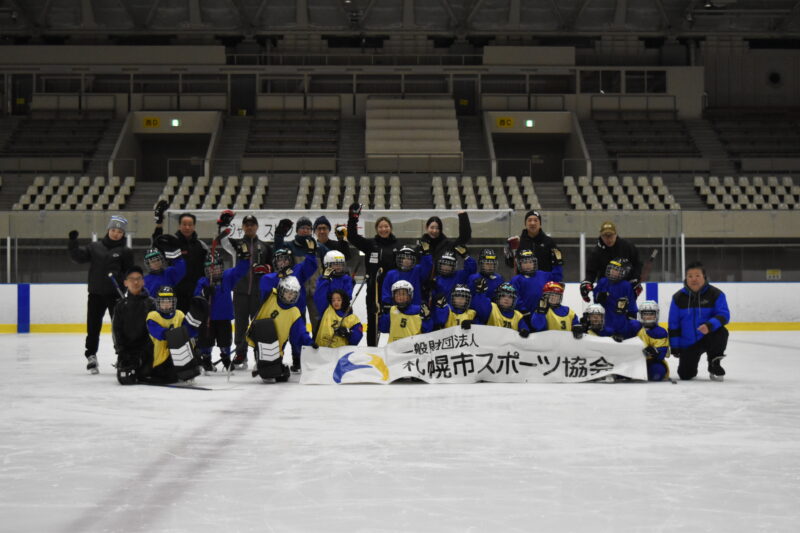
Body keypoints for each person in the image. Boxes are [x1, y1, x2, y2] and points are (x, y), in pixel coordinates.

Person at [68, 215, 134, 374]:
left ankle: (122, 355)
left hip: (115, 295)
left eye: (119, 231)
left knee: (119, 327)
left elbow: (129, 273)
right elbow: (79, 258)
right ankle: (91, 355)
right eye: (113, 230)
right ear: (108, 230)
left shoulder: (125, 251)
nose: (116, 233)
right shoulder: (94, 247)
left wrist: (123, 283)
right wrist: (73, 243)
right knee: (93, 326)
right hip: (96, 294)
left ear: (123, 234)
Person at [346, 204, 398, 346]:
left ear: (390, 228)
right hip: (373, 290)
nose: (383, 229)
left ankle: (394, 349)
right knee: (373, 320)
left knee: (394, 320)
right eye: (380, 227)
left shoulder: (397, 245)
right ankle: (372, 350)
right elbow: (352, 237)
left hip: (392, 292)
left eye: (386, 226)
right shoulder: (370, 244)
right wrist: (353, 218)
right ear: (376, 229)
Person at [668, 262, 730, 381]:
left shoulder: (716, 294)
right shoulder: (678, 298)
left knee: (721, 331)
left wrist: (709, 325)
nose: (693, 279)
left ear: (704, 277)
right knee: (685, 375)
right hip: (689, 342)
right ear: (686, 278)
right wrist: (675, 347)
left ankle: (714, 362)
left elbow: (724, 315)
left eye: (697, 275)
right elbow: (673, 324)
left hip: (708, 336)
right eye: (690, 276)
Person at [194, 250, 250, 372]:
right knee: (206, 341)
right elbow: (196, 295)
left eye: (216, 268)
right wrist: (205, 292)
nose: (213, 271)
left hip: (224, 318)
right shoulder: (203, 281)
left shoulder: (227, 277)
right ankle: (206, 359)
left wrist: (244, 259)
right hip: (208, 319)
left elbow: (240, 271)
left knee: (225, 341)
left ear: (222, 267)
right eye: (210, 269)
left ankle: (226, 358)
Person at [230, 214, 273, 369]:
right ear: (242, 227)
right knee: (240, 325)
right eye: (246, 224)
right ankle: (241, 355)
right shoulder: (236, 244)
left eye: (252, 224)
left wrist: (266, 269)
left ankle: (258, 354)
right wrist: (222, 226)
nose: (249, 227)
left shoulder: (265, 246)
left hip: (258, 293)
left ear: (257, 226)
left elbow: (272, 268)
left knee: (257, 325)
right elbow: (222, 241)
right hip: (240, 292)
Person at [248, 276, 313, 378]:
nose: (290, 295)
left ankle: (269, 367)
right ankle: (260, 363)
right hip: (259, 341)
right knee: (268, 374)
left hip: (277, 350)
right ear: (281, 289)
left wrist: (310, 342)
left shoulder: (294, 312)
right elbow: (265, 280)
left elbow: (300, 333)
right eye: (287, 292)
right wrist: (278, 275)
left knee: (276, 375)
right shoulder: (270, 296)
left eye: (293, 293)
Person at [145, 285, 205, 384]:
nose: (166, 304)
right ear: (158, 303)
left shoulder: (179, 314)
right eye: (163, 302)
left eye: (168, 301)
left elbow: (189, 332)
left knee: (193, 344)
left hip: (178, 355)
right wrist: (170, 333)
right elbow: (157, 332)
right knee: (169, 377)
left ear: (173, 302)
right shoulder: (153, 316)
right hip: (161, 358)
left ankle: (189, 369)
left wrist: (195, 322)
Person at [152, 211, 209, 312]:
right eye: (184, 224)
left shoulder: (201, 246)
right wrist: (159, 224)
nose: (187, 227)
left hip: (196, 293)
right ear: (179, 226)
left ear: (194, 226)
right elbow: (156, 244)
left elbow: (207, 268)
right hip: (175, 293)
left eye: (190, 225)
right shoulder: (171, 243)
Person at [111, 266, 155, 385]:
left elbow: (154, 331)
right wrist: (121, 352)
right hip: (127, 352)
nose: (135, 282)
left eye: (138, 279)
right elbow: (116, 331)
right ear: (125, 283)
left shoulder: (151, 303)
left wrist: (145, 352)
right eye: (132, 279)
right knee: (125, 378)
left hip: (147, 352)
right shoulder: (120, 306)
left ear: (143, 281)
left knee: (146, 373)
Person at [580, 221, 643, 302]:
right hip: (605, 289)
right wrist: (587, 282)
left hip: (625, 286)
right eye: (605, 236)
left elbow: (637, 264)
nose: (608, 239)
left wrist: (635, 278)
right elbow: (591, 272)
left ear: (616, 234)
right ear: (601, 236)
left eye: (610, 235)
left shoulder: (627, 247)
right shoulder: (596, 252)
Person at [505, 210, 563, 282]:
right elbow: (511, 265)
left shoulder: (549, 242)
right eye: (529, 220)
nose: (532, 223)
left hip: (544, 283)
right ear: (525, 224)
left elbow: (557, 264)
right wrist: (509, 255)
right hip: (524, 284)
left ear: (540, 224)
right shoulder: (518, 242)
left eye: (536, 220)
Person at [592, 258, 638, 337]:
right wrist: (598, 296)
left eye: (616, 269)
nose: (612, 271)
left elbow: (632, 308)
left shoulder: (626, 286)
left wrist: (629, 320)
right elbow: (595, 299)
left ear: (623, 272)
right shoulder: (603, 281)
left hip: (620, 322)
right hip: (605, 320)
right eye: (611, 268)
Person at [381, 244, 433, 309]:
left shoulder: (417, 270)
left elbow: (427, 267)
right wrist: (387, 304)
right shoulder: (391, 274)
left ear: (413, 260)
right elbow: (386, 290)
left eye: (409, 258)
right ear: (399, 259)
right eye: (404, 258)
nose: (406, 260)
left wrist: (426, 254)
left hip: (415, 308)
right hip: (396, 309)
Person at [510, 249, 556, 317]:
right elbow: (515, 297)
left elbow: (557, 277)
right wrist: (523, 310)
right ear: (520, 264)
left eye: (530, 262)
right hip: (524, 315)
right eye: (525, 262)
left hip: (543, 312)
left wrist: (557, 264)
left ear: (534, 263)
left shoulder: (542, 274)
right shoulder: (516, 280)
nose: (528, 265)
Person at [634, 300, 670, 382]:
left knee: (657, 373)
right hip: (636, 361)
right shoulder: (636, 329)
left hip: (653, 361)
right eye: (645, 314)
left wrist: (655, 351)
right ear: (641, 315)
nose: (648, 317)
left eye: (651, 314)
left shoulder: (660, 332)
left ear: (656, 315)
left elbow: (661, 354)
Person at [467, 249, 504, 314]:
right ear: (481, 264)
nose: (490, 266)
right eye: (487, 263)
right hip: (476, 312)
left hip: (494, 313)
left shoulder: (499, 278)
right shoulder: (473, 278)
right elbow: (469, 298)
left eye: (492, 264)